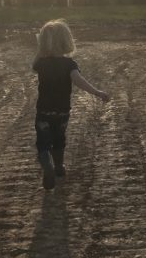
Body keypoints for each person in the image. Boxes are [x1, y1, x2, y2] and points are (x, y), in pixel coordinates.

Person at [32, 19, 110, 190]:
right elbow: (79, 81)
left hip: (44, 111)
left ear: (43, 42)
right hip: (62, 112)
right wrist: (97, 92)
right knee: (59, 140)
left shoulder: (41, 64)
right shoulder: (69, 64)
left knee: (43, 143)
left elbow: (34, 65)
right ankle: (59, 167)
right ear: (67, 40)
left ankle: (47, 164)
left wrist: (41, 50)